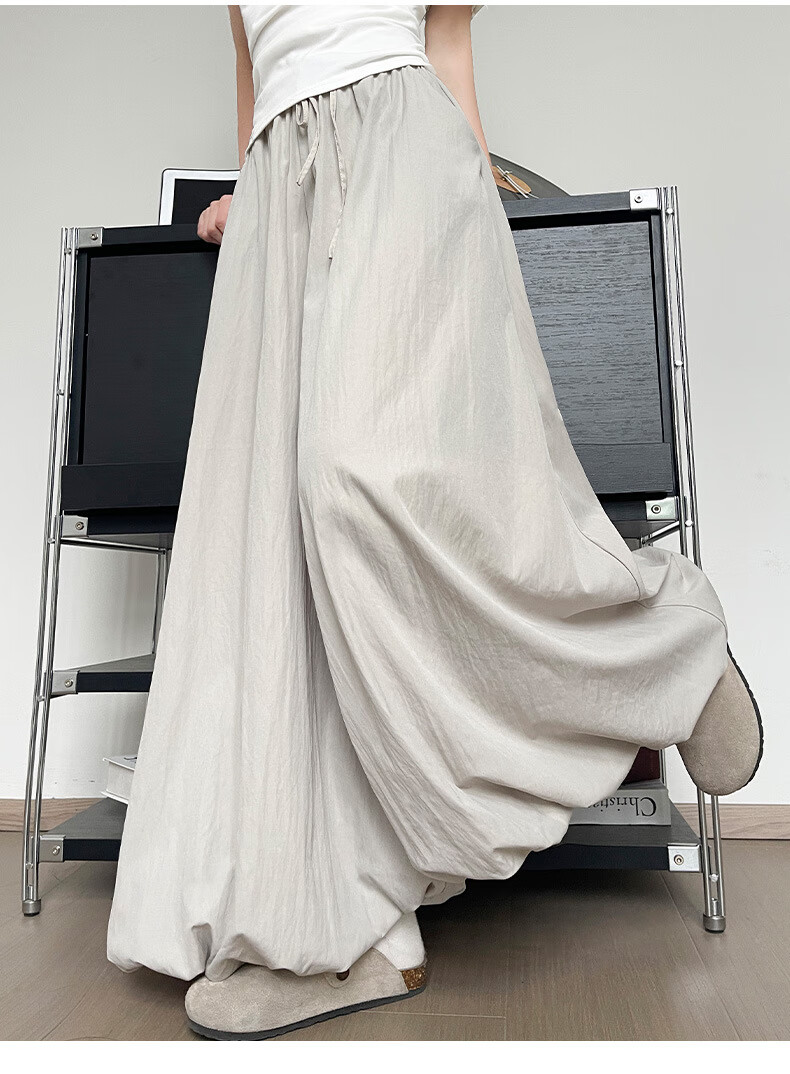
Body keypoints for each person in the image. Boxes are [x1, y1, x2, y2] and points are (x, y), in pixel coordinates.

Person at [105, 4, 763, 1041]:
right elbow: (258, 73)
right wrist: (252, 185)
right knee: (278, 568)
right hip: (280, 188)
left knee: (359, 477)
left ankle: (664, 645)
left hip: (402, 145)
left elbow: (447, 43)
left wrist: (470, 209)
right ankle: (356, 934)